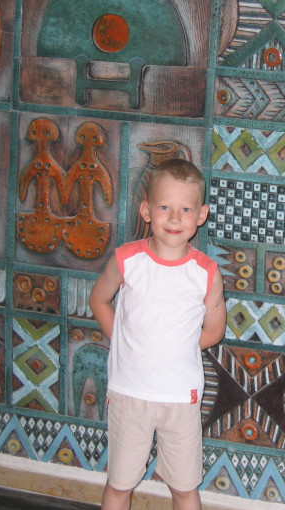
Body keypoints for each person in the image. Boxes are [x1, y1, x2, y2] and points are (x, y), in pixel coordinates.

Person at [89, 158, 226, 510]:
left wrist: (175, 347)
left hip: (181, 398)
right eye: (165, 207)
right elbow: (99, 300)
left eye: (186, 209)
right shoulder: (127, 260)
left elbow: (214, 331)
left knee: (184, 487)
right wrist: (123, 341)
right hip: (129, 395)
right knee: (119, 484)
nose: (175, 218)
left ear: (201, 215)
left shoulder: (206, 273)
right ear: (146, 210)